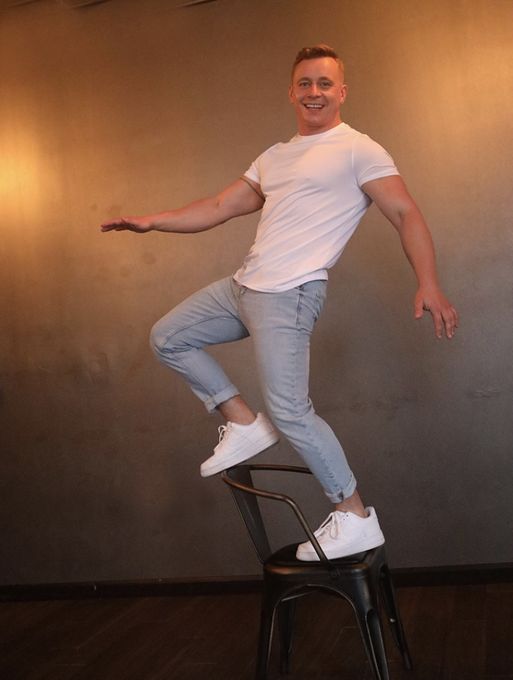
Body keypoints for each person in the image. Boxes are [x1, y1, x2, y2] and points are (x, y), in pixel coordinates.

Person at [101, 44, 458, 561]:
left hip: (290, 293)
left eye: (324, 83)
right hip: (243, 287)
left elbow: (405, 213)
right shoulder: (274, 156)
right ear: (292, 92)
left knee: (291, 411)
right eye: (305, 83)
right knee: (168, 337)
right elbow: (220, 206)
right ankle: (244, 422)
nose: (314, 92)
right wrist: (152, 222)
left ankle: (355, 516)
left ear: (341, 92)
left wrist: (428, 282)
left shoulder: (358, 149)